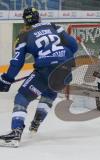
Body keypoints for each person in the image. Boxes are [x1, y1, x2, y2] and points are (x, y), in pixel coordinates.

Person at [0, 7, 78, 147]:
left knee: (21, 98)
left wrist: (6, 79)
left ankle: (15, 133)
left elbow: (17, 63)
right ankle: (35, 124)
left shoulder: (23, 35)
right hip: (66, 69)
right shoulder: (53, 26)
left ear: (25, 21)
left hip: (46, 70)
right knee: (49, 92)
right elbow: (73, 46)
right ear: (39, 17)